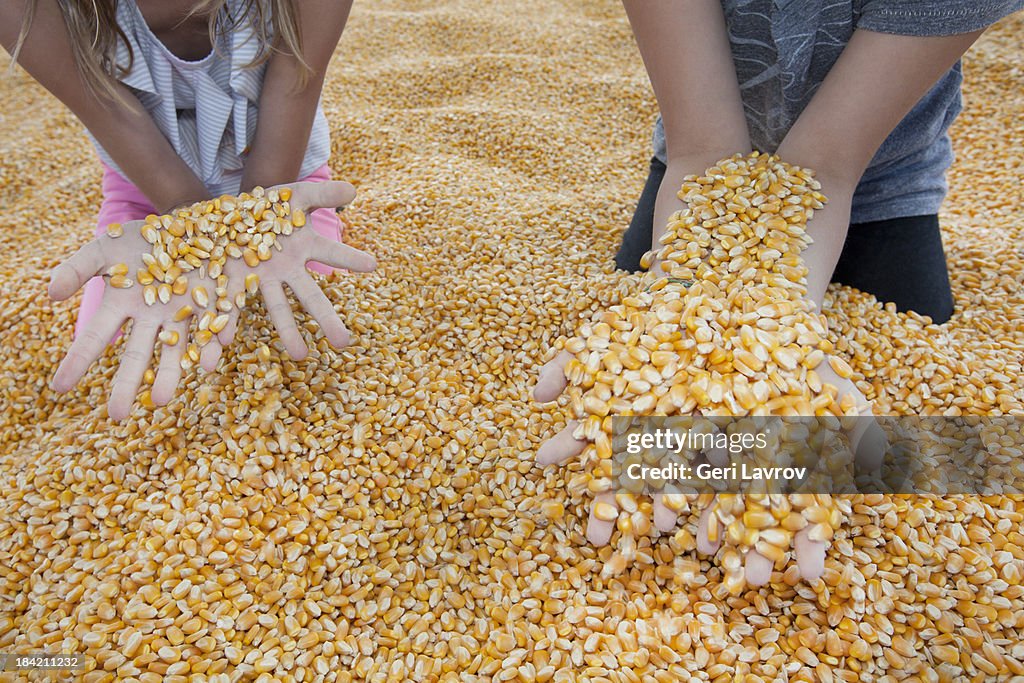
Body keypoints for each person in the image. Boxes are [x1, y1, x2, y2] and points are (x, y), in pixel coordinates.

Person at [535, 0, 1023, 585]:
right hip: (699, 160)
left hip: (877, 172)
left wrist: (781, 330)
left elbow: (823, 167)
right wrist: (675, 312)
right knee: (641, 296)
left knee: (929, 415)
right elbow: (704, 151)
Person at [1, 0, 376, 419]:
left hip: (282, 180)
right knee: (113, 351)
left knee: (304, 330)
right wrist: (189, 229)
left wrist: (253, 225)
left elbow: (296, 82)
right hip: (146, 183)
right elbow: (103, 105)